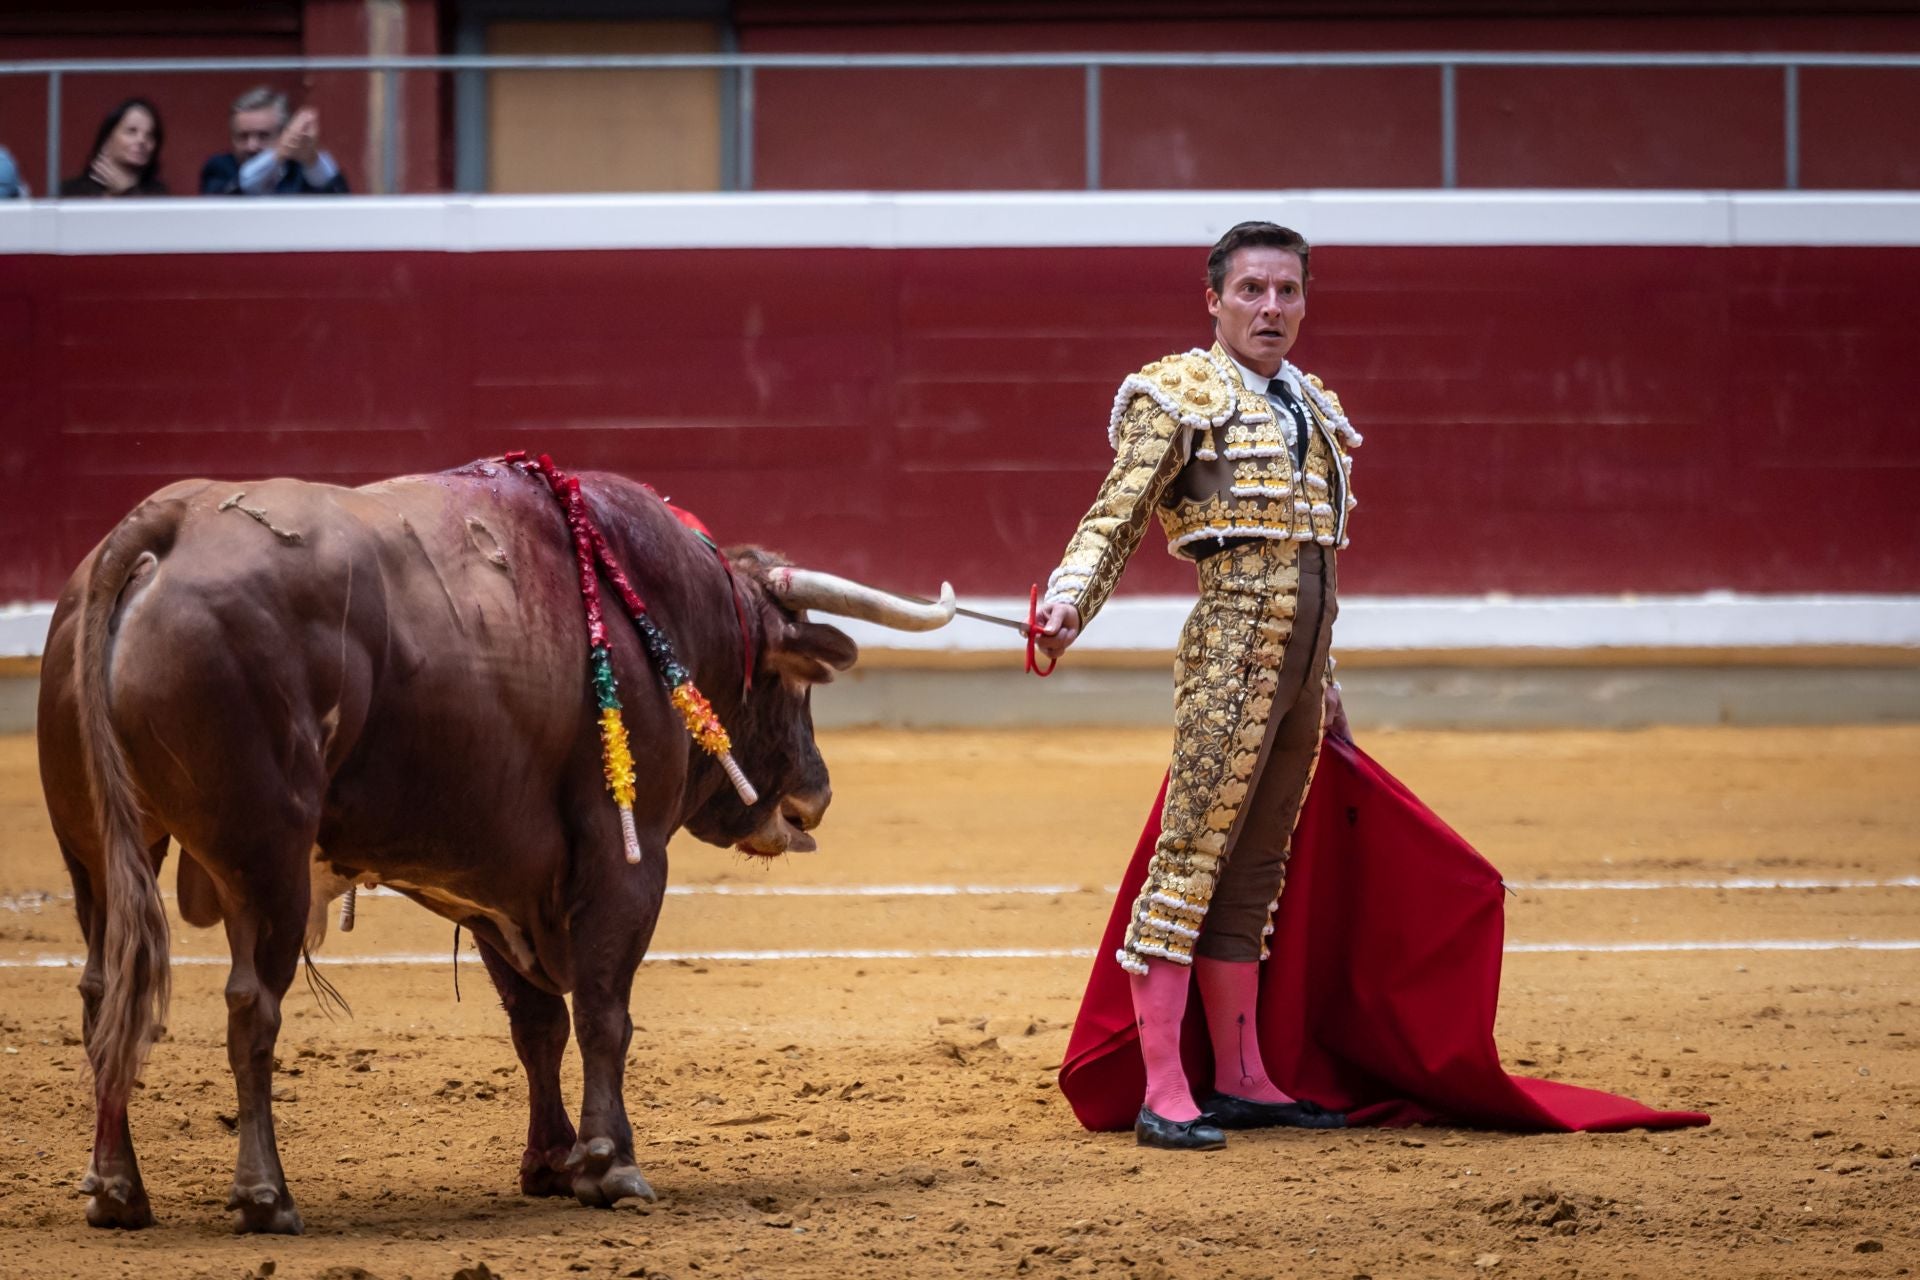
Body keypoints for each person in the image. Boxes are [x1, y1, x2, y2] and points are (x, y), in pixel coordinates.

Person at [1034, 220, 1361, 1151]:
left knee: (1256, 869)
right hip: (1229, 656)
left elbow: (1312, 559)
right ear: (1214, 300)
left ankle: (1245, 1077)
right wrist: (1068, 600)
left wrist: (1326, 680)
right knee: (1189, 859)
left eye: (1288, 291)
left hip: (1302, 671)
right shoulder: (1178, 393)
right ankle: (1165, 1090)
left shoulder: (1313, 404)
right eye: (1252, 290)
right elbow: (1116, 516)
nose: (1271, 308)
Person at [199, 86, 349, 196]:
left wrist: (311, 159)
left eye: (263, 136)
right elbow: (232, 195)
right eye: (243, 137)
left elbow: (339, 198)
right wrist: (277, 154)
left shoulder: (298, 170)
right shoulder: (218, 168)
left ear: (282, 134)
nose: (252, 146)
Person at [58, 98, 168, 197]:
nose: (142, 140)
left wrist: (128, 192)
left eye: (150, 135)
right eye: (131, 131)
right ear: (107, 138)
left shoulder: (157, 195)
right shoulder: (70, 193)